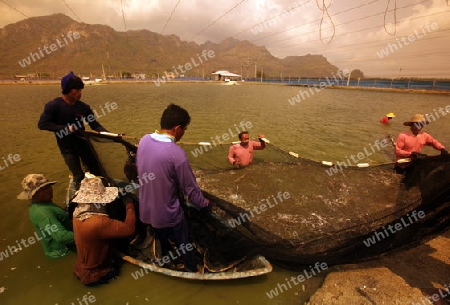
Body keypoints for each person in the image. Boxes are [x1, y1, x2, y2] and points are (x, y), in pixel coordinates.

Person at [136, 104, 211, 272]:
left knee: (162, 236)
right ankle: (191, 268)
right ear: (177, 129)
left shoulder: (144, 140)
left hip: (146, 210)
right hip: (168, 213)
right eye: (184, 129)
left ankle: (166, 259)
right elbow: (191, 191)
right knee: (184, 240)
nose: (184, 133)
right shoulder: (176, 154)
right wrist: (205, 204)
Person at [38, 71, 108, 189]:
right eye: (77, 90)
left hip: (84, 144)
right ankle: (78, 198)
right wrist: (66, 128)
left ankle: (105, 193)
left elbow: (94, 124)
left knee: (98, 169)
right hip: (67, 148)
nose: (80, 93)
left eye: (81, 90)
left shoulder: (83, 107)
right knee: (78, 175)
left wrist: (108, 134)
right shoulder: (54, 106)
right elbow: (43, 124)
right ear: (67, 90)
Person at [71, 175, 136, 286]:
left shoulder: (77, 214)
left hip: (79, 269)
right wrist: (129, 205)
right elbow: (130, 229)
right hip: (96, 275)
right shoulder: (99, 222)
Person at [17, 174, 75, 259]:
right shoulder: (43, 213)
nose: (48, 190)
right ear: (33, 194)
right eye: (42, 190)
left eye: (48, 187)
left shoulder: (42, 204)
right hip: (63, 252)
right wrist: (88, 234)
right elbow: (62, 236)